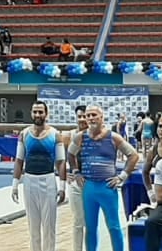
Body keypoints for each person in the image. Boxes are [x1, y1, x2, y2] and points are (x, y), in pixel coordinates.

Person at [67, 105, 139, 251]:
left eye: (94, 115)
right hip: (89, 187)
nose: (90, 118)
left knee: (114, 226)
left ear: (102, 117)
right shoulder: (80, 137)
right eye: (88, 116)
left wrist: (122, 176)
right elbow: (70, 154)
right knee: (91, 227)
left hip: (107, 187)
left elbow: (133, 155)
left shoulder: (113, 137)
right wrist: (76, 172)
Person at [13, 101, 66, 251]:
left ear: (46, 114)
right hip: (29, 180)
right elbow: (18, 161)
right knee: (33, 226)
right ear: (31, 113)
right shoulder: (24, 134)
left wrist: (62, 187)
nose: (37, 115)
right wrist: (15, 185)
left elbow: (61, 162)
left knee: (49, 226)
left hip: (48, 180)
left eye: (40, 112)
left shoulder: (55, 135)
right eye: (35, 112)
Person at [66, 109, 89, 251]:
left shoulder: (95, 136)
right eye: (79, 116)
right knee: (78, 221)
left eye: (84, 116)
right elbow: (60, 158)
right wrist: (63, 173)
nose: (81, 119)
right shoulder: (69, 135)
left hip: (92, 182)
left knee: (91, 222)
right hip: (75, 181)